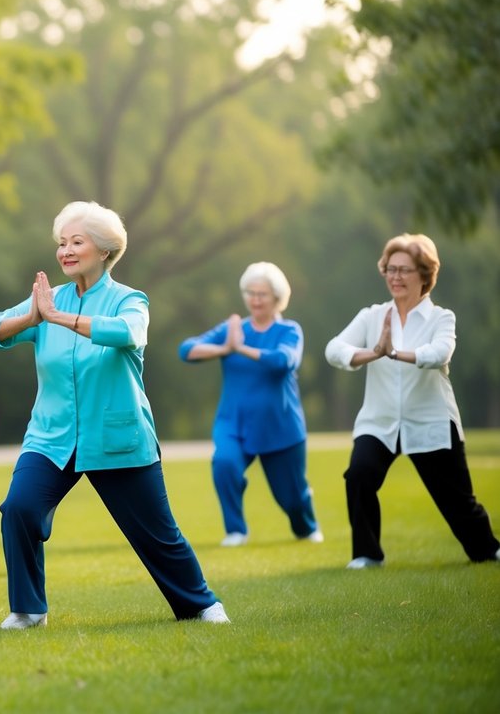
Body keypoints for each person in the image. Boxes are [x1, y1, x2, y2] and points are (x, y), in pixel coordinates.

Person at [0, 201, 227, 629]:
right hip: (52, 437)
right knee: (19, 508)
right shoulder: (47, 301)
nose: (65, 251)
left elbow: (129, 332)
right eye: (61, 243)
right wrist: (29, 319)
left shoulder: (128, 299)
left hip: (116, 437)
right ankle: (28, 610)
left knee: (157, 533)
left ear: (105, 250)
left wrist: (62, 318)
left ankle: (200, 604)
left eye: (77, 241)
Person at [325, 233, 500, 569]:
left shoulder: (441, 318)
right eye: (390, 269)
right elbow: (334, 349)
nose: (395, 277)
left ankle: (487, 549)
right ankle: (366, 554)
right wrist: (373, 352)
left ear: (425, 275)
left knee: (458, 501)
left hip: (431, 421)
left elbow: (439, 353)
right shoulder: (372, 316)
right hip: (379, 421)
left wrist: (394, 353)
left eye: (404, 270)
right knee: (359, 475)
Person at [178, 262, 322, 547]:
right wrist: (225, 347)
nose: (255, 300)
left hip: (279, 426)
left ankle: (306, 527)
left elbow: (283, 361)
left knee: (292, 496)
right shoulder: (233, 329)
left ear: (277, 298)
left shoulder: (289, 330)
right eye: (250, 293)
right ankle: (236, 530)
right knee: (224, 464)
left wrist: (241, 348)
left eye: (262, 294)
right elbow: (187, 350)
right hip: (233, 422)